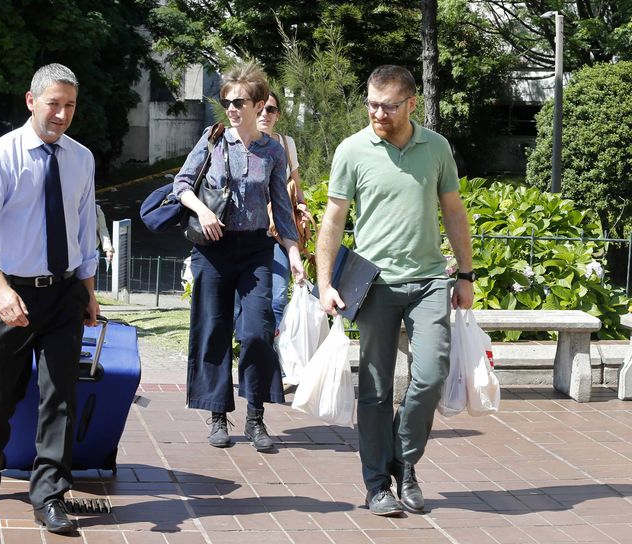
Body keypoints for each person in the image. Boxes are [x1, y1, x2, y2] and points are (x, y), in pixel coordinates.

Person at [316, 65, 474, 516]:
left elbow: (454, 212)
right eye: (371, 103)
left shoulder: (436, 148)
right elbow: (333, 220)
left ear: (411, 103)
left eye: (387, 105)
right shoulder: (352, 150)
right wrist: (326, 283)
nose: (377, 113)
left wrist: (465, 275)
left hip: (428, 281)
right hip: (374, 284)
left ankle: (403, 463)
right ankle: (376, 485)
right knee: (376, 389)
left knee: (429, 377)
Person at [0, 63, 99, 534]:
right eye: (53, 104)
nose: (62, 114)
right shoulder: (1, 157)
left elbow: (84, 227)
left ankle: (50, 494)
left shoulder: (81, 158)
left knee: (61, 394)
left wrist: (88, 291)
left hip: (63, 293)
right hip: (11, 291)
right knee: (0, 393)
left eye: (70, 105)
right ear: (31, 101)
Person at [173, 61, 305, 452]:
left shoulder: (273, 152)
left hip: (255, 249)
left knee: (257, 332)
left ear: (259, 103)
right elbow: (181, 183)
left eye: (240, 101)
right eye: (227, 100)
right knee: (213, 330)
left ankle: (255, 417)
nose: (231, 108)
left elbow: (282, 208)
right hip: (213, 249)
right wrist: (202, 209)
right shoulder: (213, 139)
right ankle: (217, 416)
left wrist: (294, 253)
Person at [256, 91, 312, 330]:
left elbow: (296, 185)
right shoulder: (243, 142)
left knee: (278, 297)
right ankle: (253, 348)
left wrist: (303, 208)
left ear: (277, 115)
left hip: (280, 231)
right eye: (260, 108)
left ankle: (276, 357)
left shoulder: (286, 144)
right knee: (248, 300)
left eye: (271, 109)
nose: (264, 114)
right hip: (253, 231)